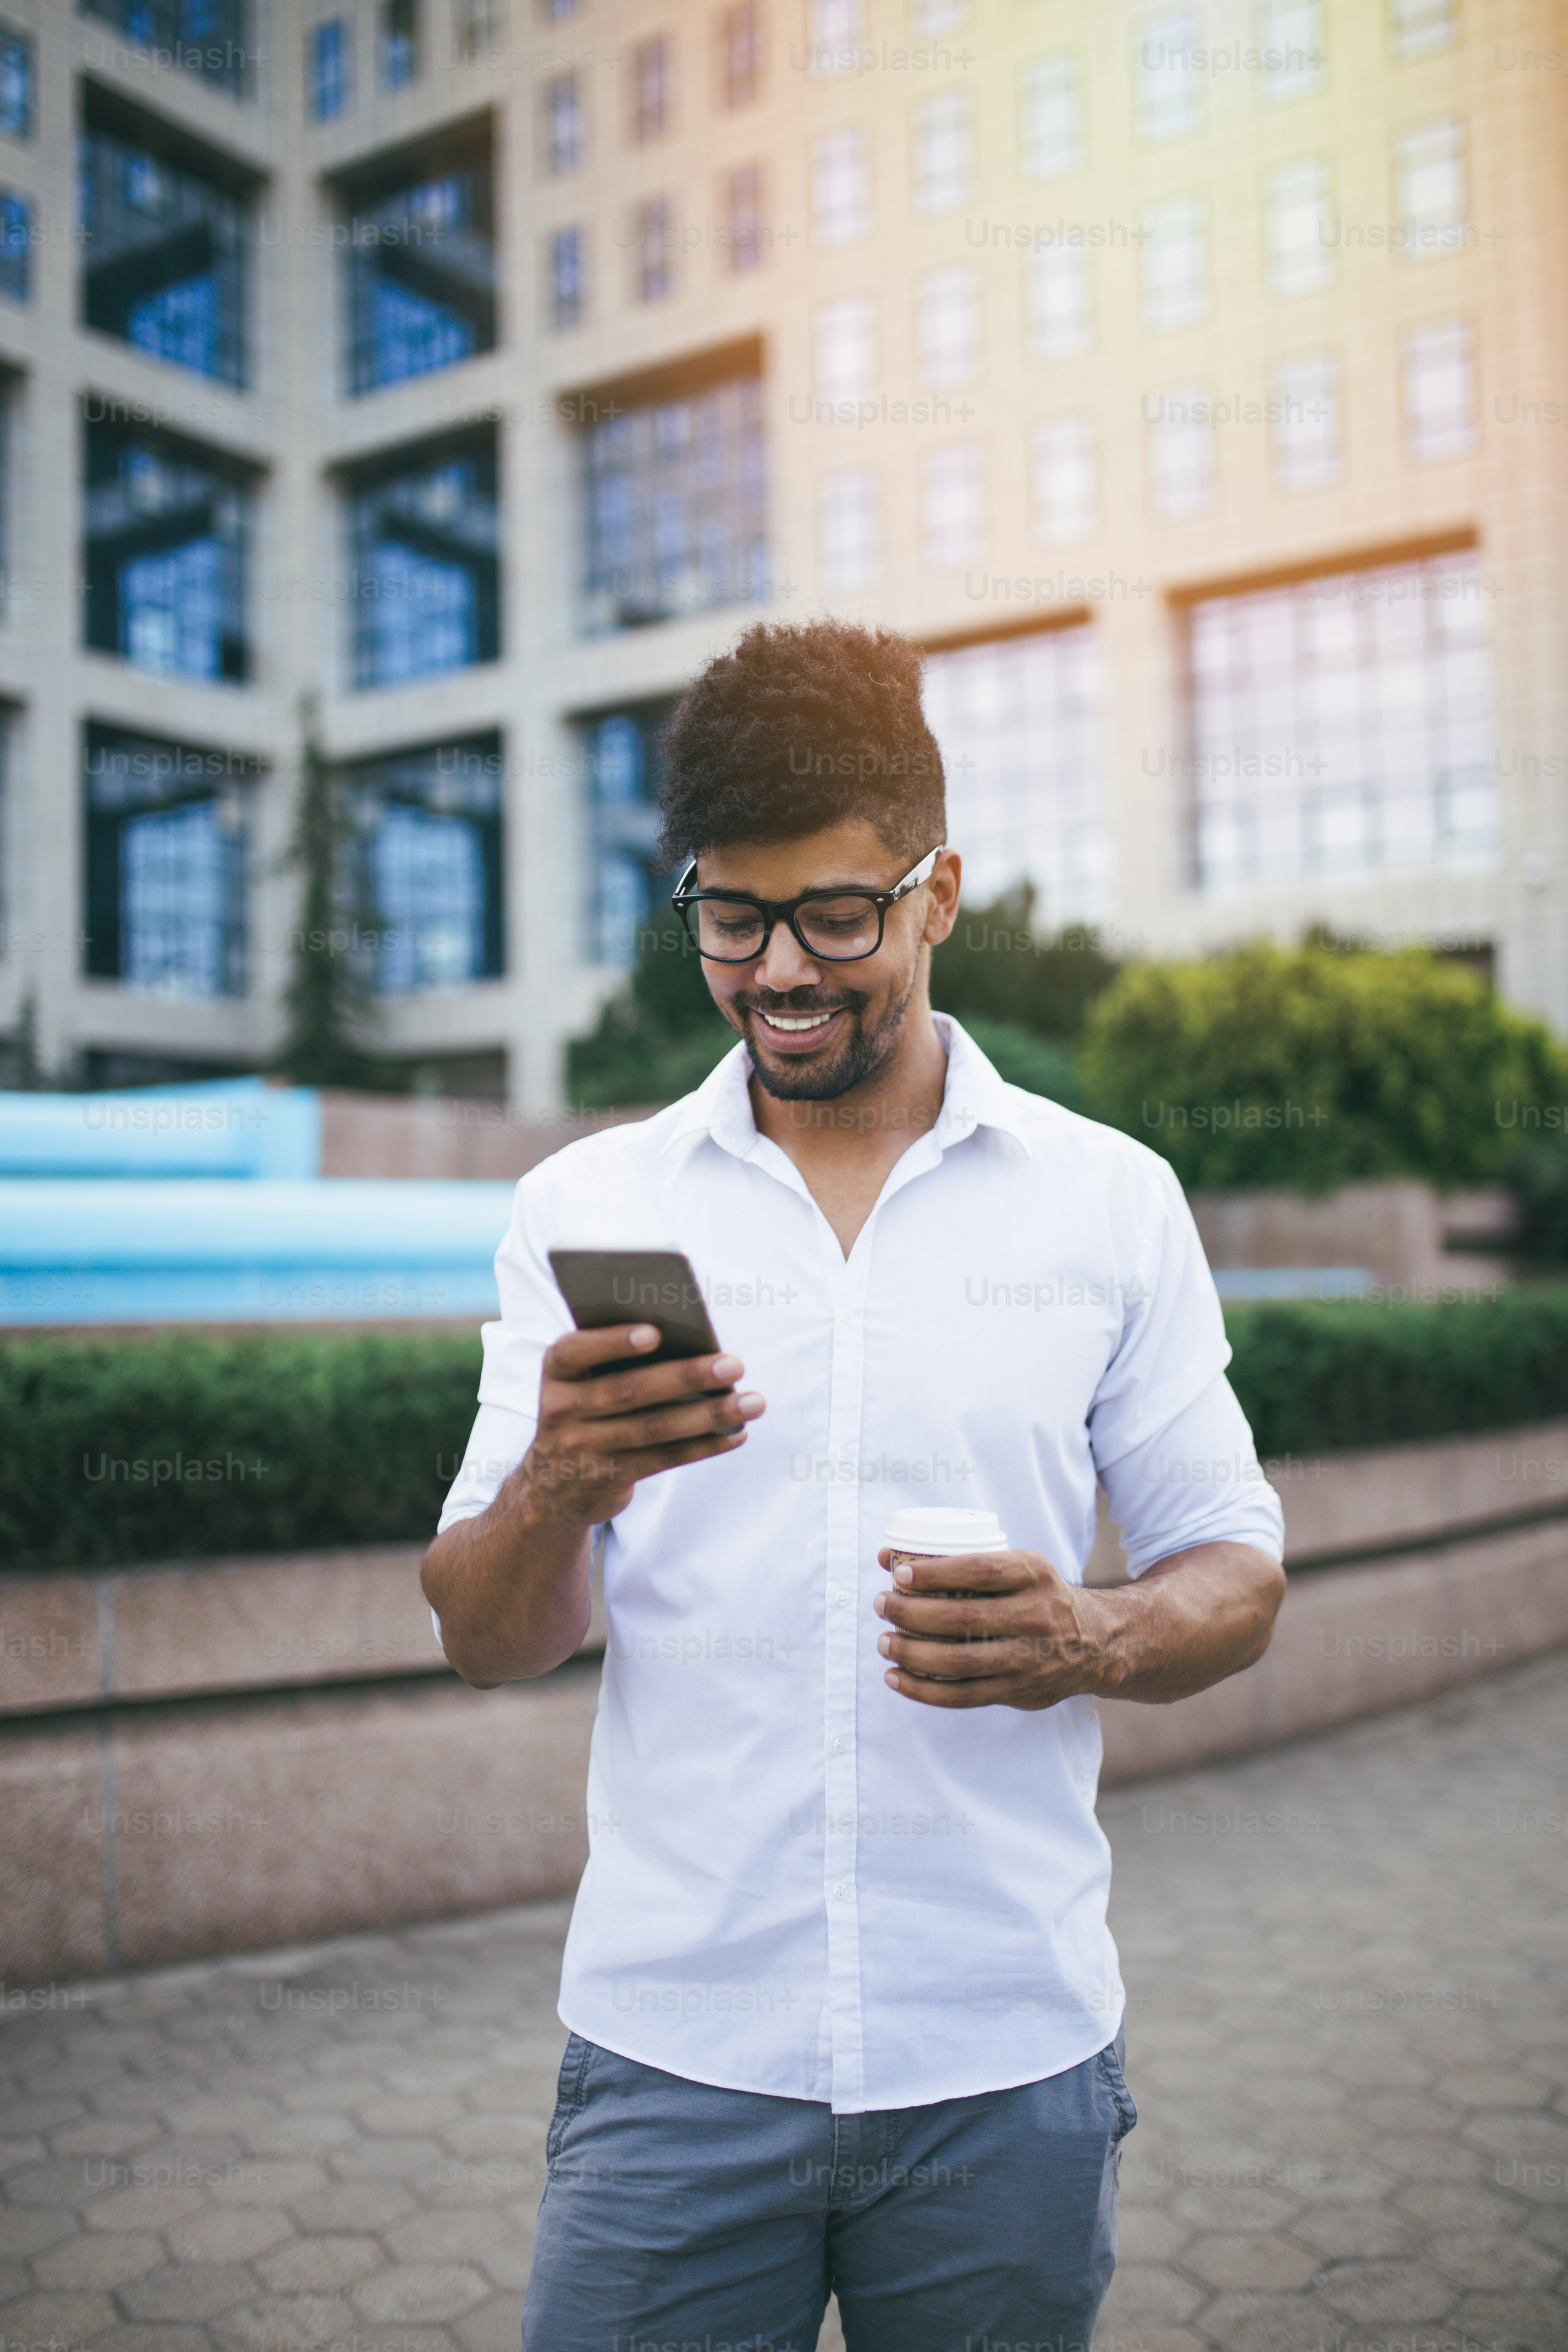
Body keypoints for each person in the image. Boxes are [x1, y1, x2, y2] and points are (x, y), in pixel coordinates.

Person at [422, 619, 1286, 2352]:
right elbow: (484, 1634)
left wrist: (1095, 1634)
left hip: (1001, 2061)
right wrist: (557, 1488)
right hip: (677, 2058)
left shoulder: (1109, 1205)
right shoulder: (589, 1208)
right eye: (729, 919)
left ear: (939, 890)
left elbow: (1237, 1569)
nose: (780, 973)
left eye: (836, 914)